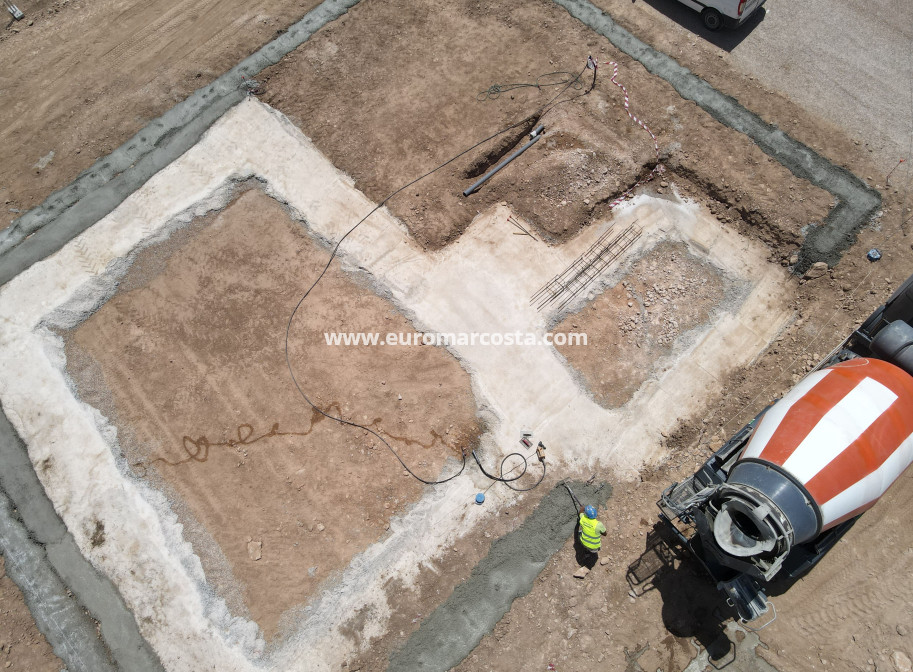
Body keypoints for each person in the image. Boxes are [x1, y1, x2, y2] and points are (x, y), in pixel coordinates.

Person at [575, 504, 607, 570]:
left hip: (584, 543)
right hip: (594, 548)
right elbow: (605, 534)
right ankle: (589, 563)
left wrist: (582, 508)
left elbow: (580, 513)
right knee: (592, 553)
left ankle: (585, 552)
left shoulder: (583, 519)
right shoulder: (598, 524)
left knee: (580, 532)